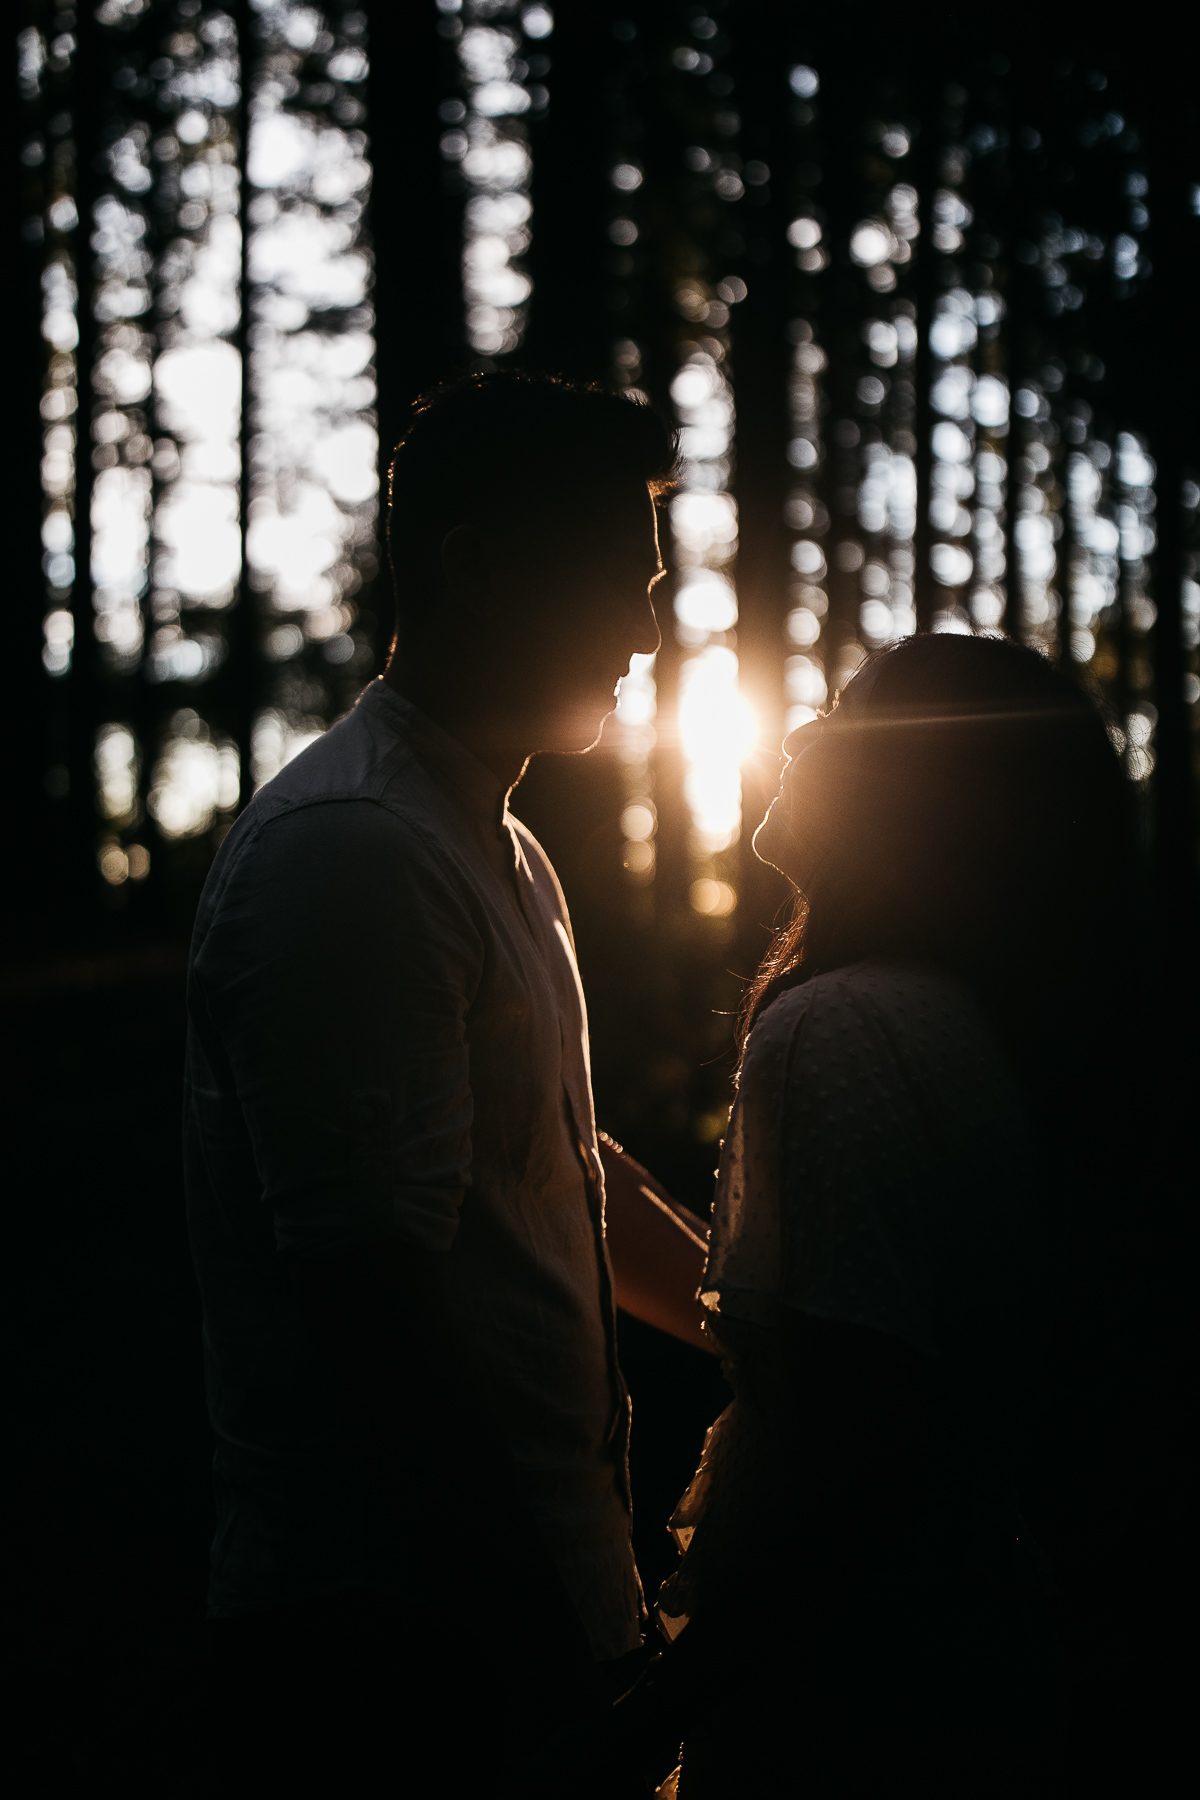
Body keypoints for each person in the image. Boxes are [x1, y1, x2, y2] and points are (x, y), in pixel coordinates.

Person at [183, 371, 712, 1794]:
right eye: (617, 582)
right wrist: (547, 1666)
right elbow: (375, 1307)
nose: (645, 632)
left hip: (517, 1628)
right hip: (398, 1659)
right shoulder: (352, 853)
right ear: (478, 570)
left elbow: (562, 1168)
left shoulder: (503, 849)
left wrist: (759, 1331)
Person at [609, 632, 1136, 1797]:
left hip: (852, 1695)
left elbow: (843, 1447)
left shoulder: (839, 1027)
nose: (799, 731)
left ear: (922, 802)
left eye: (845, 712)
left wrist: (657, 1715)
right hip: (981, 1659)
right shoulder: (971, 1023)